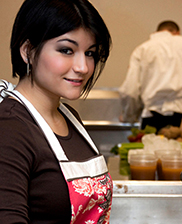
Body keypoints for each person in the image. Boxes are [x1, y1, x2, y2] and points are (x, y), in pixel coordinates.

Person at [0, 0, 112, 223]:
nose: (83, 67)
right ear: (28, 51)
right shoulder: (9, 128)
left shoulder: (70, 117)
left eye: (90, 53)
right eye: (66, 50)